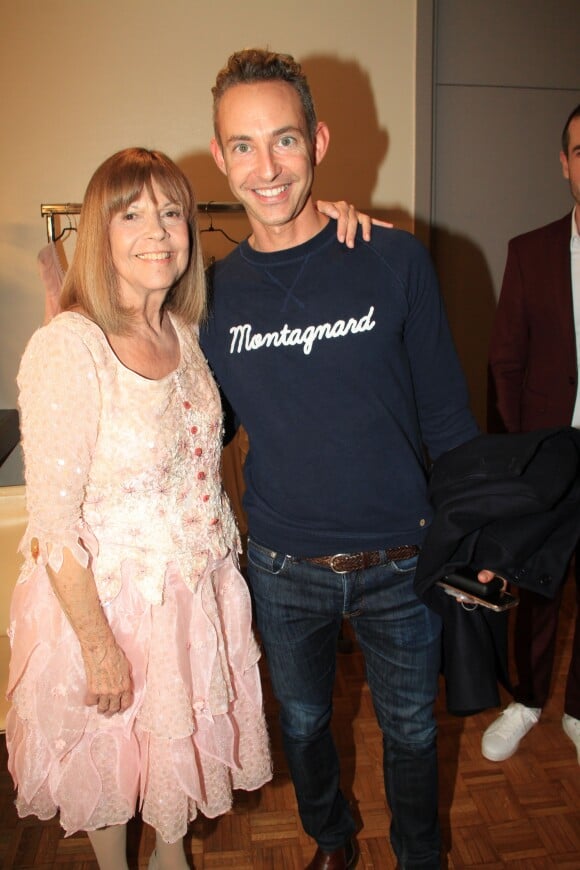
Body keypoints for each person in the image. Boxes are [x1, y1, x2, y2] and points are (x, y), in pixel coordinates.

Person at [200, 48, 480, 870]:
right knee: (302, 724)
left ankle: (418, 855)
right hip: (284, 567)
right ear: (220, 157)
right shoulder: (212, 298)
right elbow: (201, 432)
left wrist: (472, 543)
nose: (266, 167)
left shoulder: (393, 259)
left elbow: (450, 423)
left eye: (284, 139)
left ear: (318, 140)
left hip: (403, 558)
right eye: (243, 146)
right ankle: (331, 841)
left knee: (413, 730)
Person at [6, 147, 274, 870]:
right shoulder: (71, 345)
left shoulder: (184, 334)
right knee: (110, 759)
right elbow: (53, 527)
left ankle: (171, 857)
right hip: (112, 604)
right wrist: (97, 645)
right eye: (132, 214)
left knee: (170, 754)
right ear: (100, 232)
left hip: (189, 596)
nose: (157, 231)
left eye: (171, 212)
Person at [482, 104, 580, 764]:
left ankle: (578, 709)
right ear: (566, 163)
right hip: (549, 458)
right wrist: (516, 463)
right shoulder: (530, 252)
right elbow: (504, 364)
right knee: (536, 590)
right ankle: (525, 700)